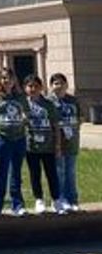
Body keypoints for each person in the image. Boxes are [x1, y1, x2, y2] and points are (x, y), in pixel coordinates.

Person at [0, 68, 27, 217]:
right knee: (1, 172)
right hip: (3, 138)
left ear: (14, 80)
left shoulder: (20, 97)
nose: (6, 81)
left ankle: (18, 204)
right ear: (0, 81)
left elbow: (26, 112)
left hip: (19, 138)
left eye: (9, 78)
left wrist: (24, 118)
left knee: (16, 172)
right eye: (3, 78)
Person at [22, 74, 62, 215]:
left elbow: (56, 126)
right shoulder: (22, 104)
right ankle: (39, 199)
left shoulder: (48, 105)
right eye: (30, 86)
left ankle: (56, 199)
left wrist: (57, 145)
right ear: (25, 88)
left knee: (52, 173)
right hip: (31, 146)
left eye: (36, 86)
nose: (33, 89)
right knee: (35, 174)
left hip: (48, 145)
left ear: (41, 88)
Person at [49, 73, 81, 212]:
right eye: (55, 83)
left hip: (72, 142)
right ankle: (59, 199)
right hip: (57, 143)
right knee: (59, 172)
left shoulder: (73, 100)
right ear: (51, 86)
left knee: (71, 172)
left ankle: (72, 200)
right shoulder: (49, 102)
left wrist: (72, 130)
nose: (59, 86)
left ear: (66, 85)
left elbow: (80, 117)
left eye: (61, 83)